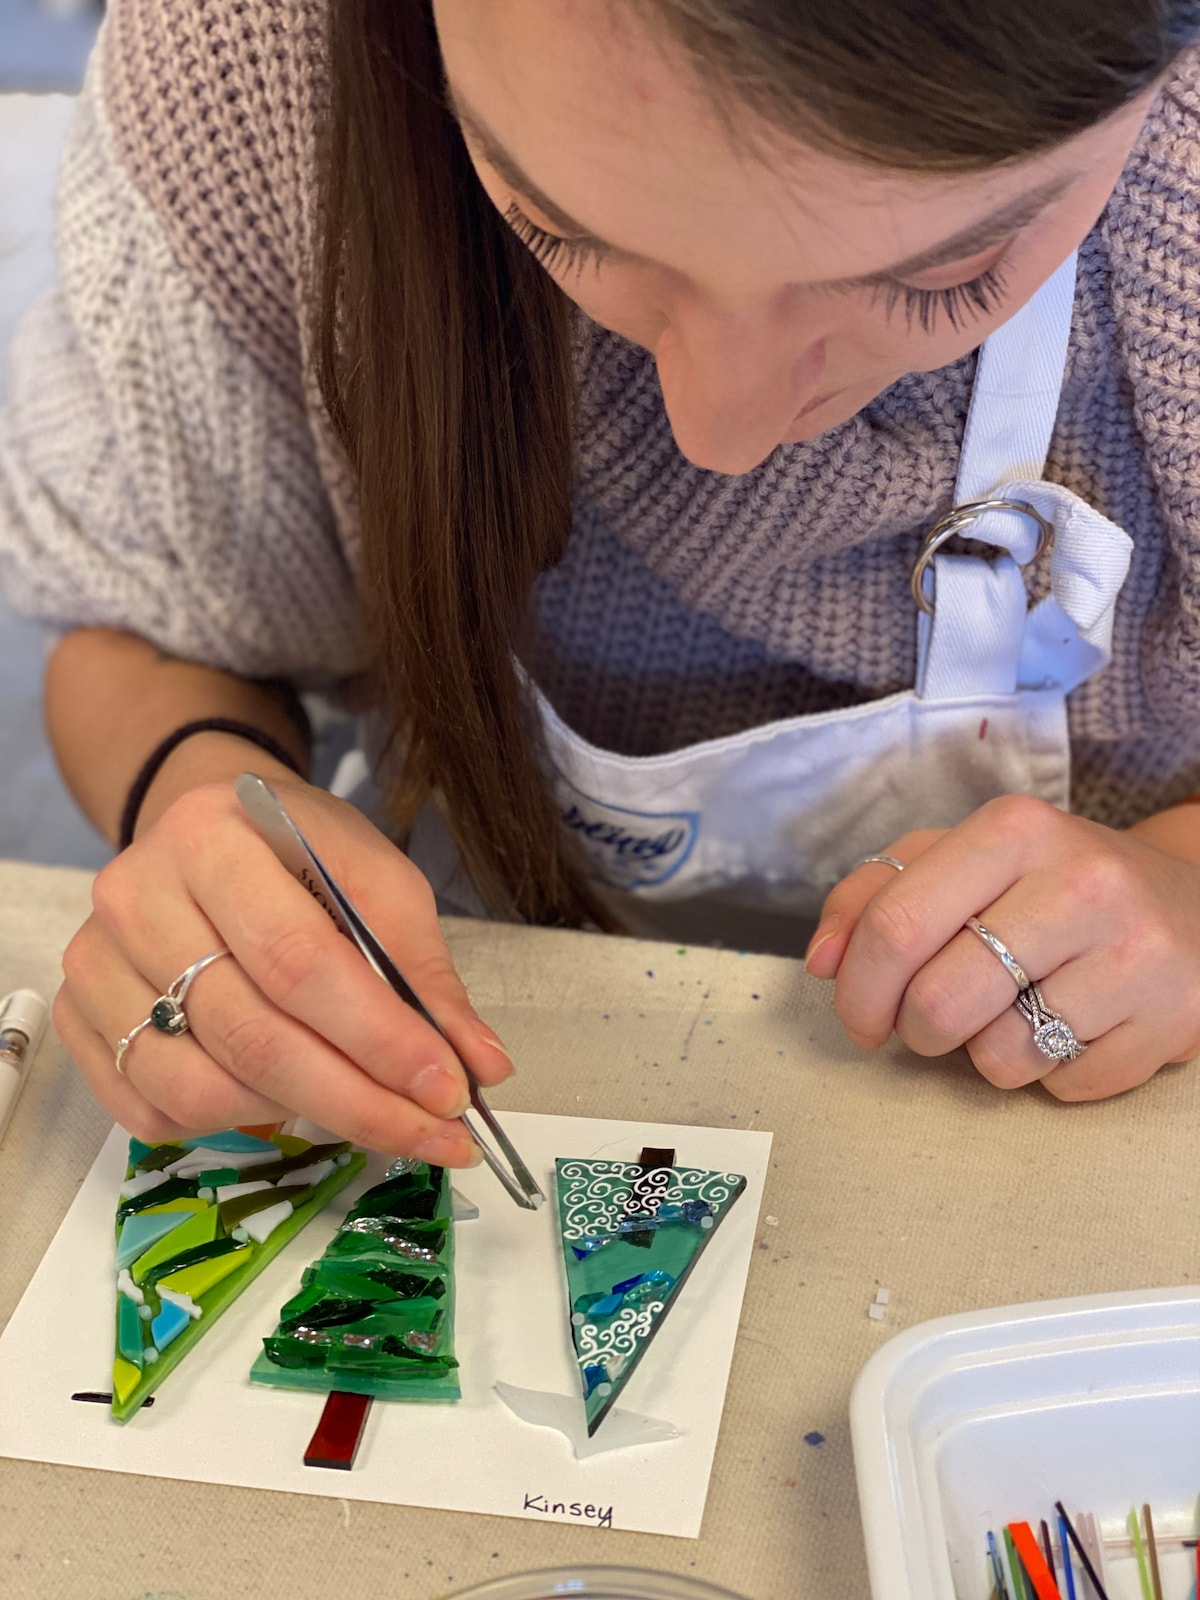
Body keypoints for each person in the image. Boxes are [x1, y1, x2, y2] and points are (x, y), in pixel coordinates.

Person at [3, 0, 1200, 1164]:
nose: (721, 434)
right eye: (554, 224)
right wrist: (199, 798)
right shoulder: (252, 61)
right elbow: (142, 629)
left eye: (949, 276)